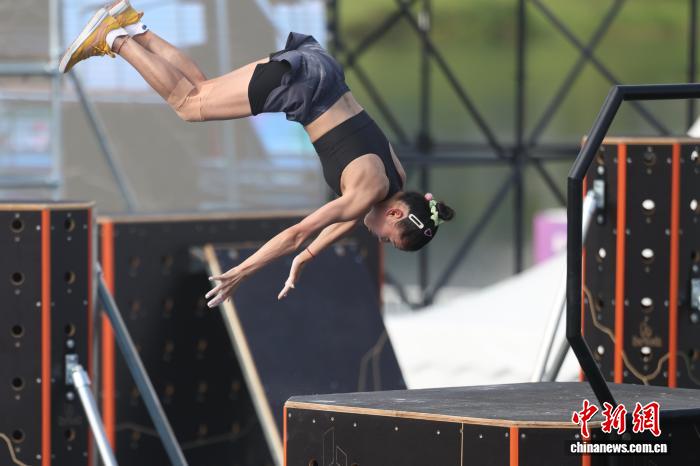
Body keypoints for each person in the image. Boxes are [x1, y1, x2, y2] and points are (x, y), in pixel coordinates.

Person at [60, 0, 455, 305]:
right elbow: (298, 232)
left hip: (319, 70)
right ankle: (114, 39)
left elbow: (340, 225)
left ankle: (133, 26)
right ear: (395, 214)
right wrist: (243, 271)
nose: (380, 240)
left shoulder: (395, 177)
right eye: (389, 239)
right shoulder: (366, 193)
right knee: (188, 105)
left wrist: (305, 258)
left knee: (202, 88)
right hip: (301, 88)